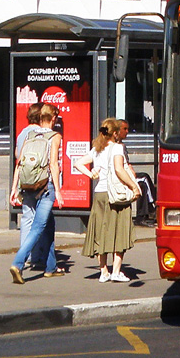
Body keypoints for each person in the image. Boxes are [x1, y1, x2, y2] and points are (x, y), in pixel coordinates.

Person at [74, 118, 141, 283]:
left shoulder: (97, 149)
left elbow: (77, 163)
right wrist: (134, 186)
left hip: (100, 194)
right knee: (120, 230)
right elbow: (119, 169)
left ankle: (104, 272)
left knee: (101, 232)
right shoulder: (118, 148)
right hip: (115, 195)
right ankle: (116, 271)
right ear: (116, 133)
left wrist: (91, 175)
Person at [9, 103, 64, 283]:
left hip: (28, 186)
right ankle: (18, 263)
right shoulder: (55, 137)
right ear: (53, 118)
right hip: (45, 187)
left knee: (49, 226)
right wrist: (59, 190)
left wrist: (14, 188)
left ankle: (51, 267)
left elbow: (20, 163)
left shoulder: (30, 135)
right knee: (38, 227)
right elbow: (53, 165)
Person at [11, 102, 48, 269]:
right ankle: (38, 256)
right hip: (40, 180)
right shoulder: (42, 133)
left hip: (25, 180)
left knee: (27, 217)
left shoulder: (22, 134)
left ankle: (24, 254)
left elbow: (18, 155)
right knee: (42, 220)